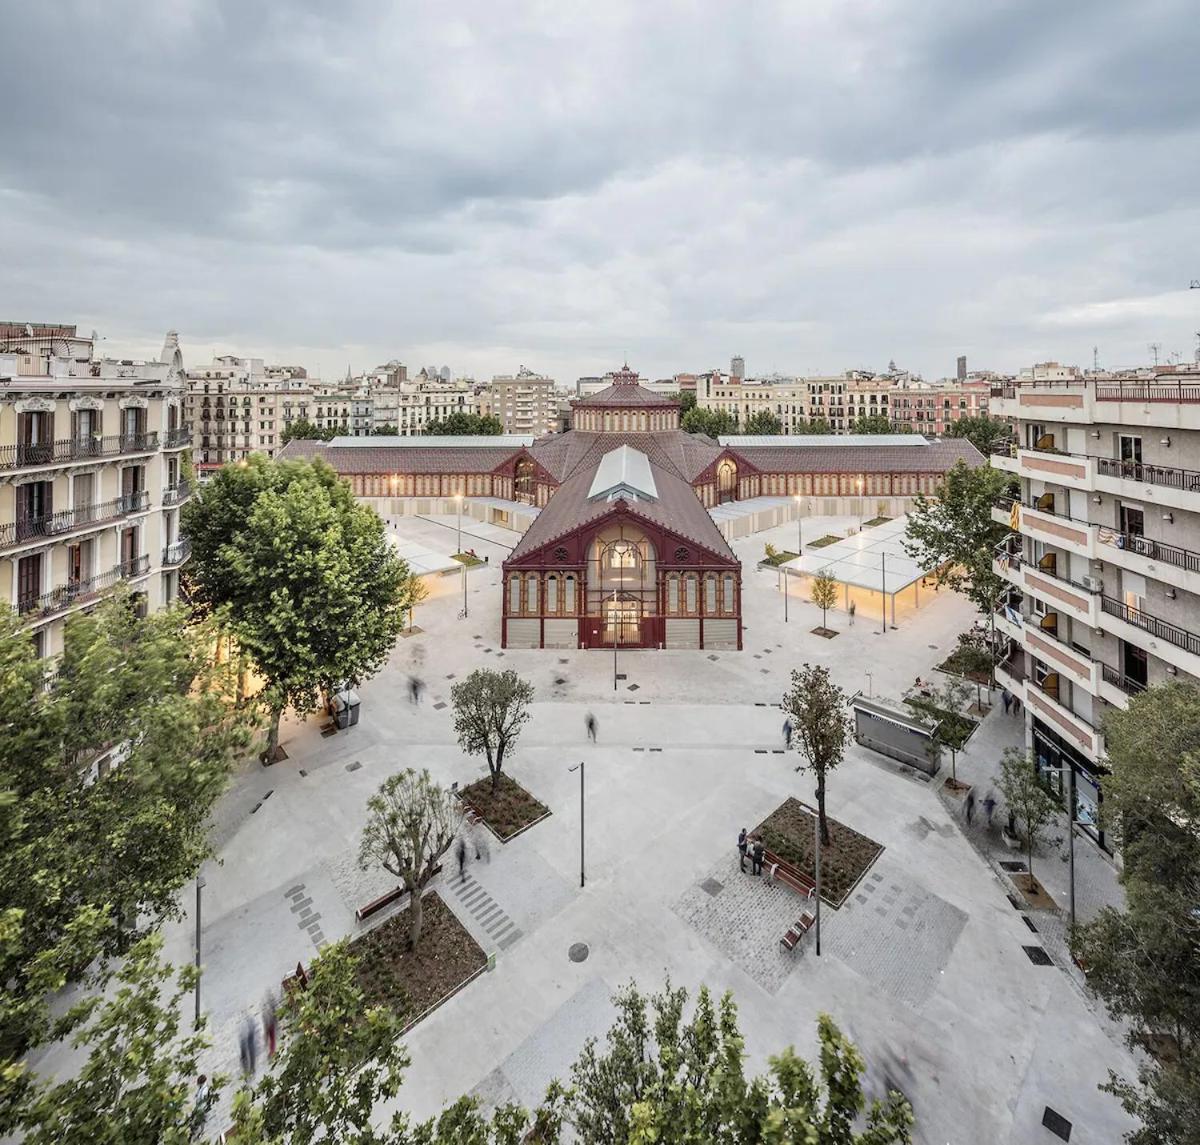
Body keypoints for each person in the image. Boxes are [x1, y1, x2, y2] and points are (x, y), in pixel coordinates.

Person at [189, 1075, 213, 1140]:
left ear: (201, 1083)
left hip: (201, 1108)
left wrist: (200, 1109)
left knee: (201, 1121)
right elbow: (199, 1091)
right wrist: (197, 1094)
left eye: (198, 1083)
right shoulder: (202, 1086)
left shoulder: (204, 1091)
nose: (197, 1084)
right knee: (193, 1116)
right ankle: (194, 1128)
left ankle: (201, 1132)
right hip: (198, 1106)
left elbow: (203, 1101)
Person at [262, 990, 278, 1058]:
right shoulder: (271, 1008)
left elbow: (265, 1019)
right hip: (270, 1024)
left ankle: (271, 1052)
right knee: (272, 1039)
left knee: (271, 1038)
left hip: (269, 1024)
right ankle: (272, 1052)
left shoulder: (265, 1011)